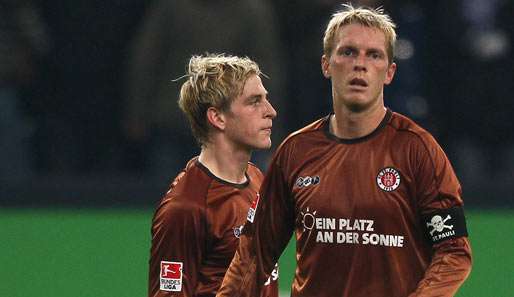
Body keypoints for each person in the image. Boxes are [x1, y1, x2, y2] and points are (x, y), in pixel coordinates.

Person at [217, 4, 472, 297]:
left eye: (373, 55)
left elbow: (454, 252)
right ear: (327, 64)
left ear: (389, 72)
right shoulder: (296, 152)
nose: (359, 64)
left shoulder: (418, 150)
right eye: (348, 52)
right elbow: (254, 254)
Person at [148, 54, 279, 297]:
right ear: (217, 117)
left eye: (266, 100)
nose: (271, 111)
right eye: (254, 102)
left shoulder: (259, 179)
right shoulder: (185, 207)